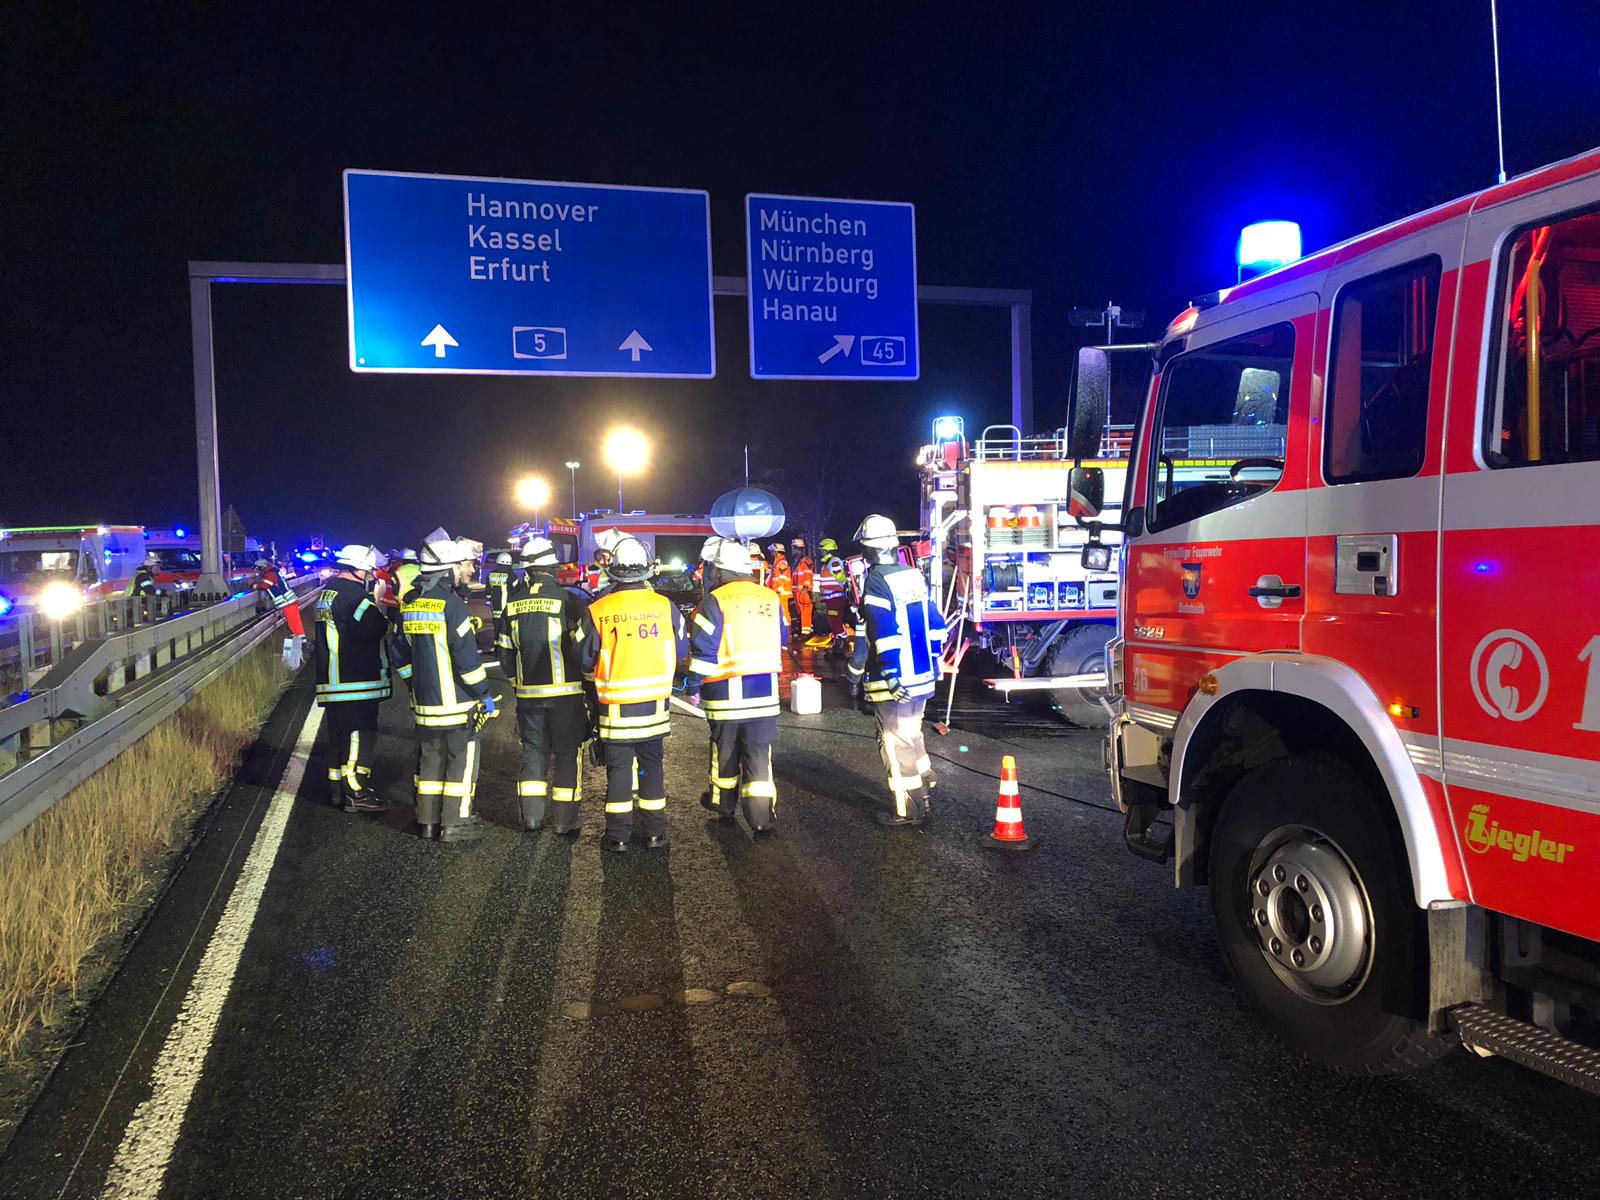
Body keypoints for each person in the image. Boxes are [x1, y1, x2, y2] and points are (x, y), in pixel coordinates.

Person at [578, 535, 687, 852]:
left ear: (614, 570)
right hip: (654, 708)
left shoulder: (598, 609)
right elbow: (681, 649)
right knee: (652, 767)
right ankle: (655, 833)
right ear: (645, 570)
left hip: (615, 711)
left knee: (619, 772)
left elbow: (583, 657)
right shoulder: (665, 607)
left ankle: (618, 836)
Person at [391, 533, 497, 842]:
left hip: (424, 704)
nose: (463, 572)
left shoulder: (409, 604)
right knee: (462, 760)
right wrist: (484, 694)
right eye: (459, 567)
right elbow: (467, 661)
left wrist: (415, 684)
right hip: (457, 704)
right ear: (447, 569)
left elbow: (399, 652)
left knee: (430, 760)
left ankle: (427, 821)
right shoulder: (452, 606)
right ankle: (455, 822)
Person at [847, 515, 945, 828]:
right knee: (911, 733)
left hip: (896, 680)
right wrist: (934, 661)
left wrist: (890, 673)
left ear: (869, 549)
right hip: (922, 676)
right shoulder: (913, 576)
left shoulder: (876, 580)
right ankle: (924, 783)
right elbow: (936, 624)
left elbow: (883, 631)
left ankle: (909, 810)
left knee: (894, 742)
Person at [683, 538, 786, 833]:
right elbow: (783, 637)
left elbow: (704, 651)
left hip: (725, 694)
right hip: (764, 694)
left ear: (718, 570)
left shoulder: (714, 601)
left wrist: (693, 686)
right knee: (759, 755)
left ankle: (723, 803)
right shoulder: (770, 597)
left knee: (725, 753)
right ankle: (761, 817)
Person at [504, 537, 588, 833]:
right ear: (553, 568)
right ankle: (565, 821)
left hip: (528, 696)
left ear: (528, 570)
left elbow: (505, 653)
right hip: (566, 696)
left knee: (532, 752)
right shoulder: (570, 602)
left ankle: (531, 817)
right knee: (567, 753)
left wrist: (517, 683)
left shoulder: (512, 605)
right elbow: (583, 649)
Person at [313, 544, 390, 813]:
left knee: (338, 737)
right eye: (369, 571)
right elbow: (376, 629)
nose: (371, 576)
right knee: (358, 734)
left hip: (332, 676)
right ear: (358, 569)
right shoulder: (357, 597)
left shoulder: (328, 592)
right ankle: (355, 791)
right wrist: (379, 603)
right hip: (355, 678)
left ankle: (337, 789)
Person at [252, 556, 304, 638]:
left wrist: (255, 586)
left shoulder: (270, 573)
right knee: (294, 621)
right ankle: (300, 639)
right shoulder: (274, 570)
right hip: (289, 600)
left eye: (258, 568)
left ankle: (300, 640)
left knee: (293, 621)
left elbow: (266, 585)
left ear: (262, 567)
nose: (258, 571)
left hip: (287, 601)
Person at [486, 551, 515, 649]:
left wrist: (492, 601)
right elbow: (517, 591)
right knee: (507, 629)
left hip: (495, 609)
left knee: (497, 628)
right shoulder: (511, 576)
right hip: (508, 609)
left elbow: (488, 592)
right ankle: (506, 648)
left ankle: (496, 647)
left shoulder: (491, 575)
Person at [790, 538, 815, 637]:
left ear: (798, 549)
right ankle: (804, 631)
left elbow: (808, 574)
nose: (792, 551)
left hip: (804, 591)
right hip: (797, 591)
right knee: (801, 612)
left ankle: (806, 633)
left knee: (806, 612)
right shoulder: (797, 562)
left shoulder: (806, 561)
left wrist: (805, 588)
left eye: (793, 548)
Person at [766, 543, 793, 628]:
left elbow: (782, 576)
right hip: (778, 591)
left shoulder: (781, 562)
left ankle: (787, 629)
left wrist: (779, 588)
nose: (771, 553)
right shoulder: (777, 562)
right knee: (780, 611)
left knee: (783, 611)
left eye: (772, 551)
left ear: (777, 552)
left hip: (781, 592)